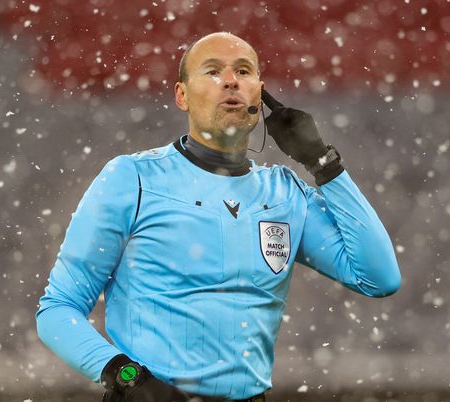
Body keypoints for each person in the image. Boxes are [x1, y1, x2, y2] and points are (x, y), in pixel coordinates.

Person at [36, 32, 401, 402]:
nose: (230, 80)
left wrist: (322, 162)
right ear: (182, 96)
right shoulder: (132, 179)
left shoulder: (286, 194)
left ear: (259, 94)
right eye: (212, 71)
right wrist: (127, 377)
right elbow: (58, 309)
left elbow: (378, 277)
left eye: (243, 71)